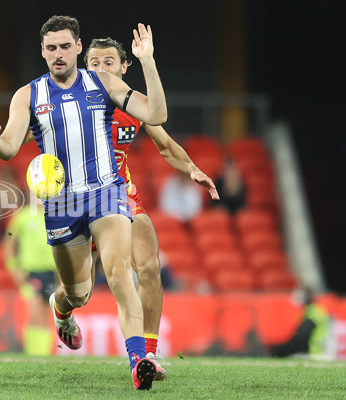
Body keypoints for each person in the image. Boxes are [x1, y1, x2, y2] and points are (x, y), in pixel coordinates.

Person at [0, 15, 168, 390]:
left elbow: (157, 114)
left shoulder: (103, 82)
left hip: (106, 192)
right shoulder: (28, 95)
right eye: (51, 48)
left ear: (79, 47)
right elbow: (10, 147)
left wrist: (148, 62)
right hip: (61, 205)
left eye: (65, 46)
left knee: (119, 273)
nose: (59, 54)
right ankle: (61, 310)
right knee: (78, 292)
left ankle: (137, 360)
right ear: (42, 52)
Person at [84, 36, 219, 381]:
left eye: (108, 62)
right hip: (79, 198)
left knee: (148, 267)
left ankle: (148, 354)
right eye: (94, 63)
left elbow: (167, 147)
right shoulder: (73, 101)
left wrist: (192, 168)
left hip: (121, 194)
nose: (101, 69)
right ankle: (63, 310)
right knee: (79, 290)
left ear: (124, 67)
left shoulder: (132, 106)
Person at [3, 196, 59, 356]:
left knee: (45, 316)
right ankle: (32, 353)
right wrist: (14, 268)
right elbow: (8, 241)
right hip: (32, 273)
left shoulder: (57, 216)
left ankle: (42, 355)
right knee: (35, 314)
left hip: (52, 273)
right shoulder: (23, 216)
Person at [267, 288, 331, 359]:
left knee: (278, 351)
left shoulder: (313, 312)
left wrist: (283, 347)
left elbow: (302, 336)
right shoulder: (313, 310)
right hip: (315, 350)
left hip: (312, 352)